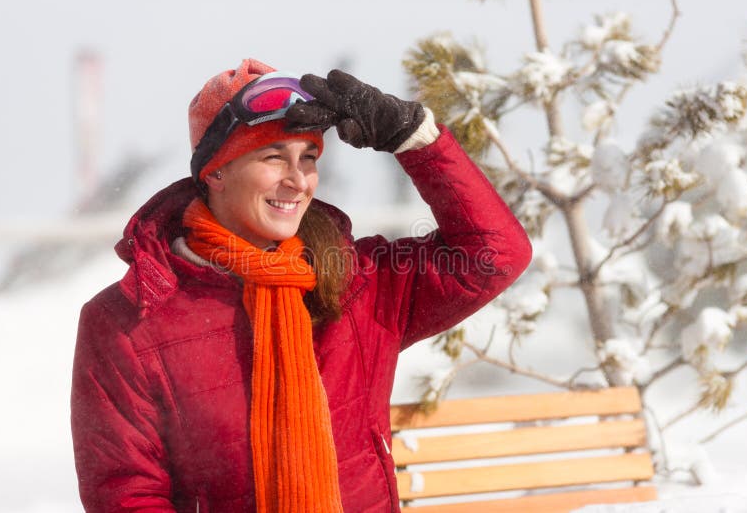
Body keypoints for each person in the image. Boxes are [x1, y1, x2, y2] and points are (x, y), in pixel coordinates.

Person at [71, 58, 532, 512]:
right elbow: (126, 493)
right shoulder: (128, 321)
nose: (298, 181)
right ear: (215, 170)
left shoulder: (356, 281)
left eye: (308, 158)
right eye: (274, 157)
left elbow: (494, 256)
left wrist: (415, 139)